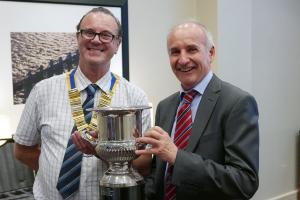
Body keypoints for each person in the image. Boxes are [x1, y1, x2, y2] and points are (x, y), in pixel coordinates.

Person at [14, 7, 151, 200]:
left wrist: (102, 153)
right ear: (78, 37)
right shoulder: (42, 91)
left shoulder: (135, 98)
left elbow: (144, 163)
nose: (95, 40)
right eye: (88, 32)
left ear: (117, 44)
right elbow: (22, 150)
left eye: (105, 35)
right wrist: (51, 170)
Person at [135, 21, 259, 200]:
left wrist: (178, 158)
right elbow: (159, 174)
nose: (183, 59)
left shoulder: (237, 103)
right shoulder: (165, 106)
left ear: (211, 53)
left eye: (192, 49)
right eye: (175, 52)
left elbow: (245, 182)